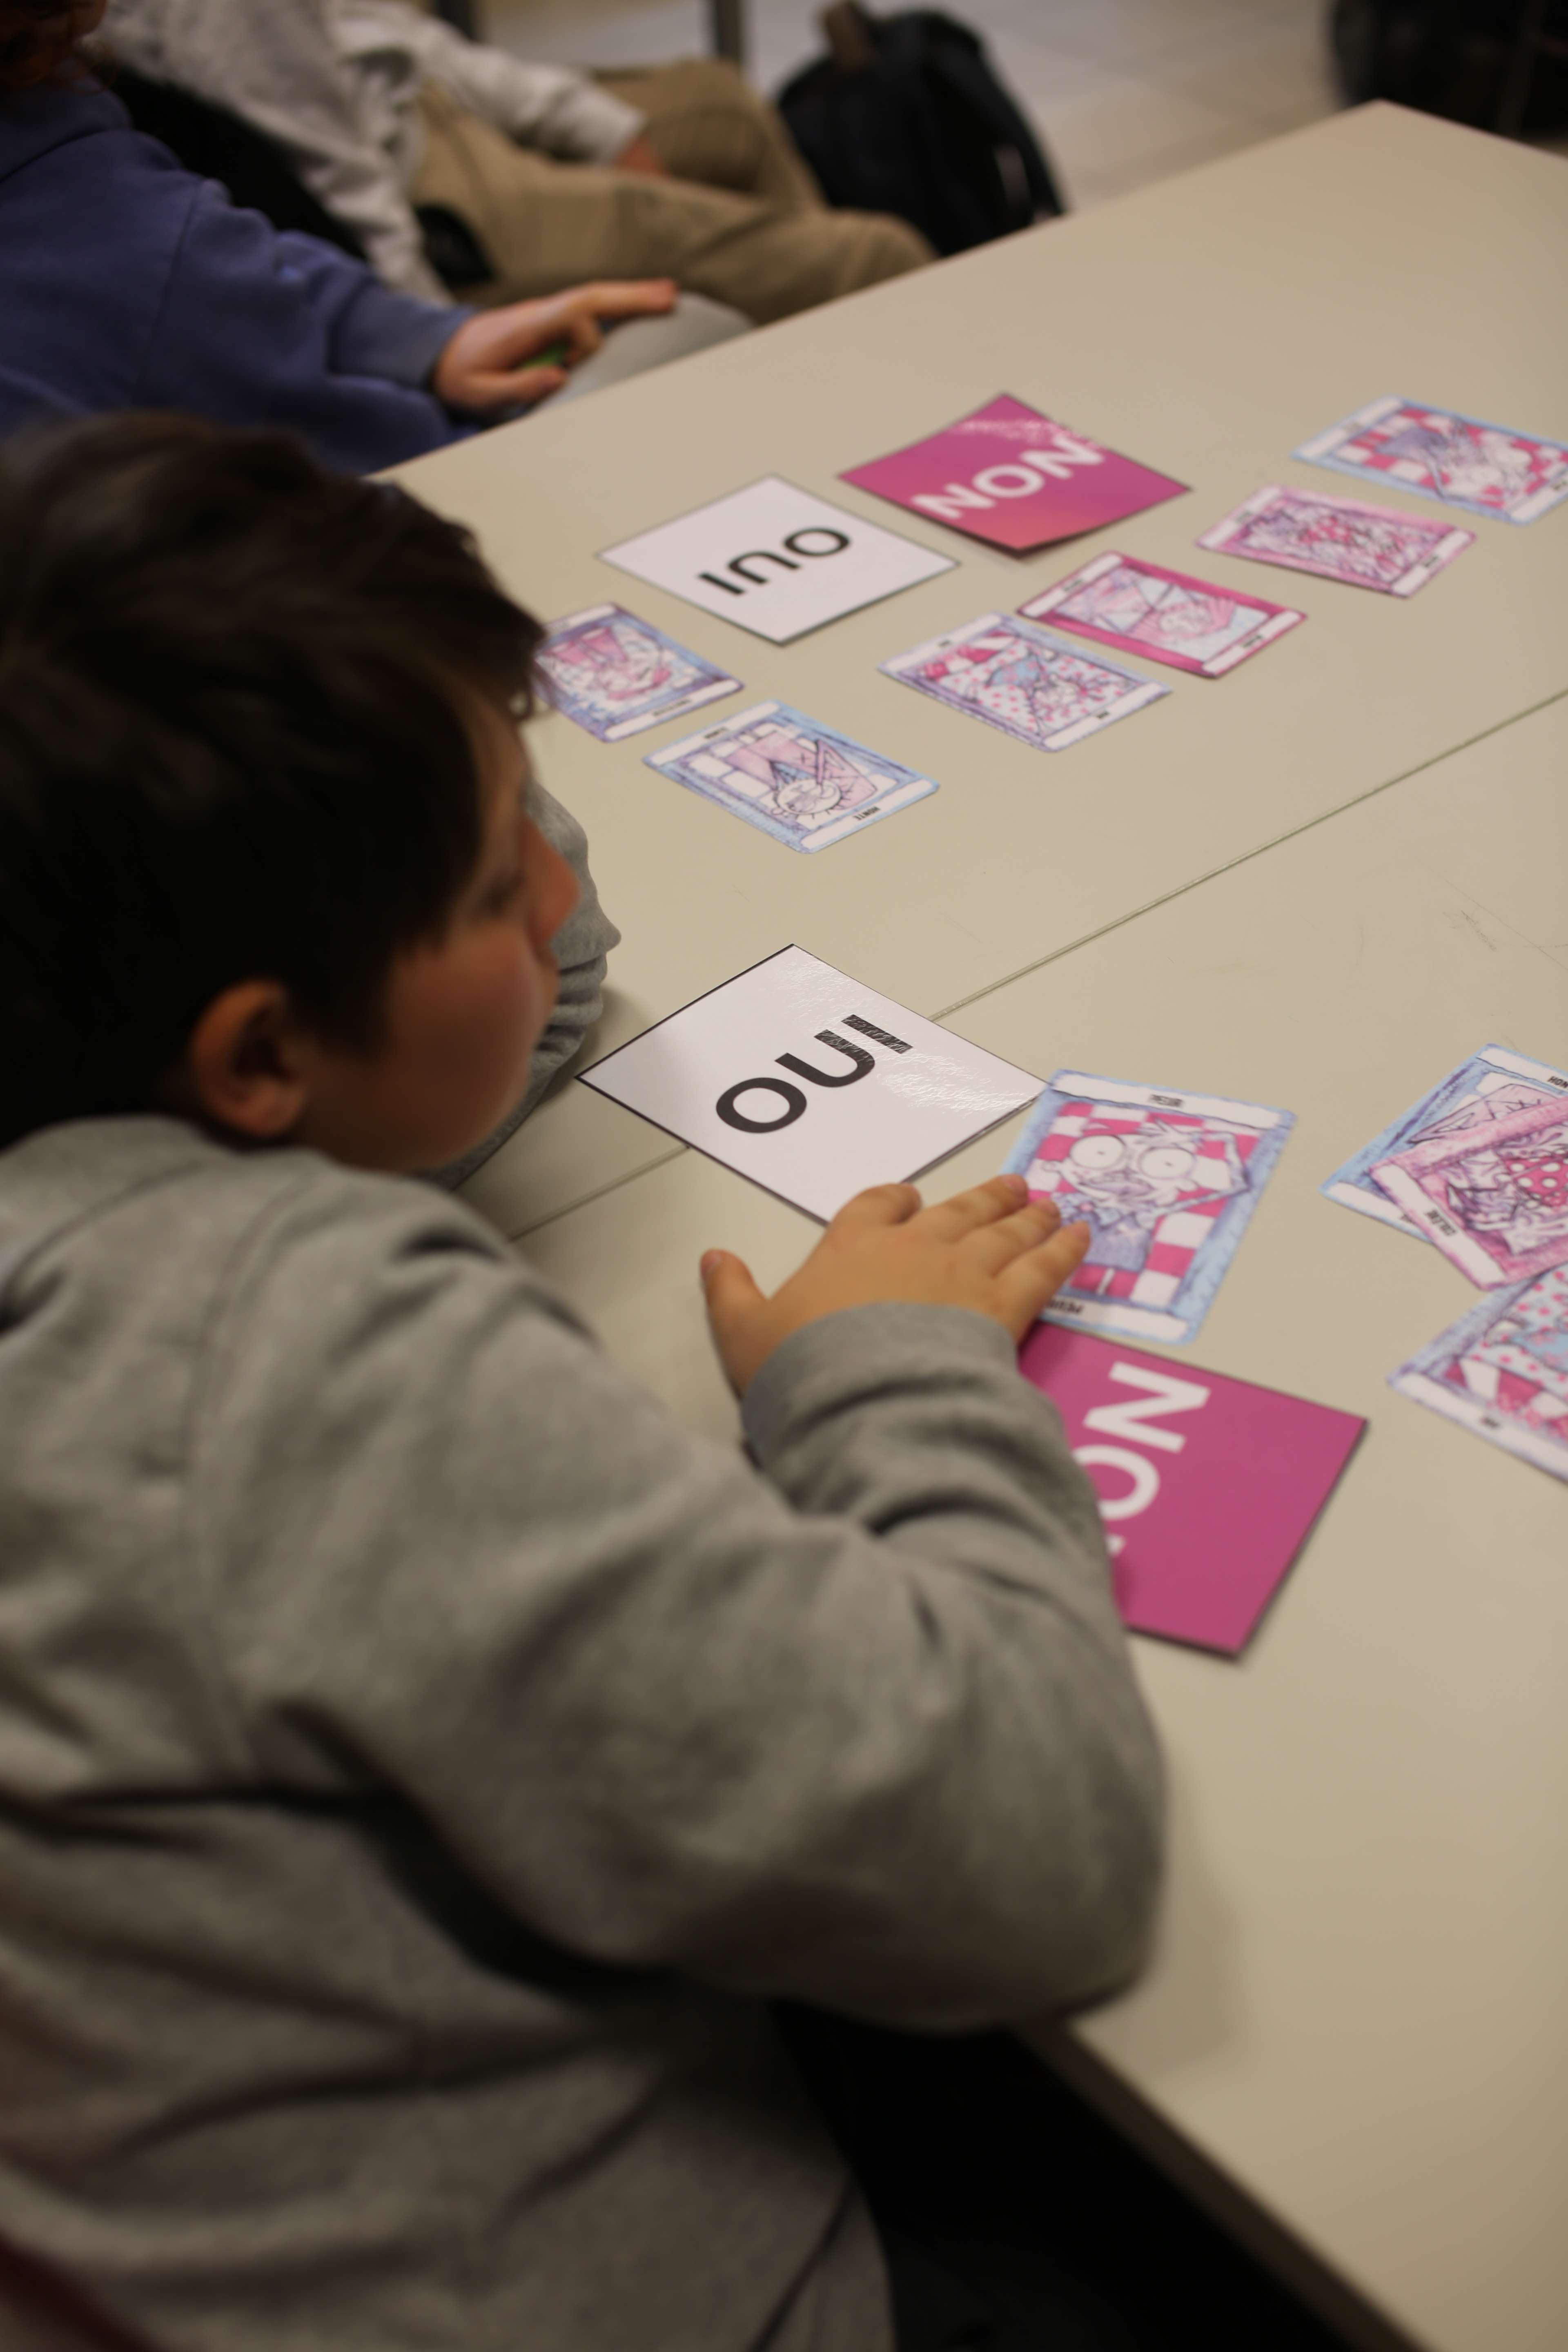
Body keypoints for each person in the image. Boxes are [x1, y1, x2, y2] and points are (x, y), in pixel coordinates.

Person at [0, 410, 1163, 2352]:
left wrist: (430, 755)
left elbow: (521, 998)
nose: (558, 905)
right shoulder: (287, 1347)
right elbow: (1034, 1849)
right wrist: (888, 1368)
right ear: (258, 1058)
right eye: (485, 882)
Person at [0, 2, 749, 473]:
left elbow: (206, 263)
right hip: (430, 183)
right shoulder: (132, 250)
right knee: (700, 320)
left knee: (730, 116)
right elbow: (413, 486)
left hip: (434, 126)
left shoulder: (97, 192)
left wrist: (418, 338)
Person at [100, 0, 933, 320]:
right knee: (877, 253)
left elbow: (391, 35)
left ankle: (804, 347)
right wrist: (423, 348)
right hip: (416, 197)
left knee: (721, 106)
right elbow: (332, 180)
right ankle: (824, 306)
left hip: (413, 104)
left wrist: (589, 127)